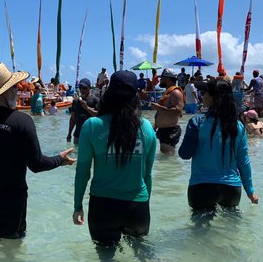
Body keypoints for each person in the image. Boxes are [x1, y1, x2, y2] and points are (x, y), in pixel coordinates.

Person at [0, 62, 75, 239]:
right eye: (14, 87)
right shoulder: (22, 121)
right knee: (9, 256)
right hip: (10, 204)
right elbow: (36, 164)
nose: (17, 91)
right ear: (5, 91)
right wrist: (60, 159)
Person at [73, 70, 156, 245]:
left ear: (108, 95)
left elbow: (82, 172)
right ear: (135, 97)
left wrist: (78, 206)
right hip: (137, 207)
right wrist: (144, 205)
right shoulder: (147, 128)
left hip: (103, 208)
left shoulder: (92, 126)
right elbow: (147, 175)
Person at [178, 79, 259, 213]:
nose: (202, 96)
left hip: (201, 187)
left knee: (200, 231)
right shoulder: (238, 126)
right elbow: (243, 161)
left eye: (204, 92)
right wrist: (250, 192)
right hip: (231, 189)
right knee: (231, 231)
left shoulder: (197, 121)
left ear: (212, 97)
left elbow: (184, 154)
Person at [150, 68, 184, 155]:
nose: (160, 79)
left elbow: (178, 111)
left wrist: (158, 107)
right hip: (163, 130)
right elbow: (164, 112)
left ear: (168, 79)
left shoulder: (175, 92)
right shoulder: (168, 92)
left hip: (170, 130)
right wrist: (156, 125)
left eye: (162, 77)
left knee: (167, 158)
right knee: (166, 158)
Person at [67, 78, 99, 144]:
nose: (82, 90)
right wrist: (69, 133)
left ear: (89, 88)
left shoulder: (95, 100)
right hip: (78, 135)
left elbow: (99, 116)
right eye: (80, 87)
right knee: (76, 153)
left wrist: (86, 108)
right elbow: (73, 118)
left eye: (84, 88)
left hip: (92, 135)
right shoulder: (76, 101)